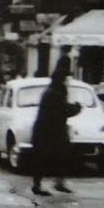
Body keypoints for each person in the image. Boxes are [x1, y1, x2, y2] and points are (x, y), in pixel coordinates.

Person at [31, 56, 81, 196]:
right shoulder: (55, 93)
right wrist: (77, 107)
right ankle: (39, 185)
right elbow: (65, 110)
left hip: (51, 131)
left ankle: (58, 182)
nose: (68, 82)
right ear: (62, 80)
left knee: (60, 156)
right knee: (44, 158)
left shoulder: (53, 91)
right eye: (67, 79)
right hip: (47, 132)